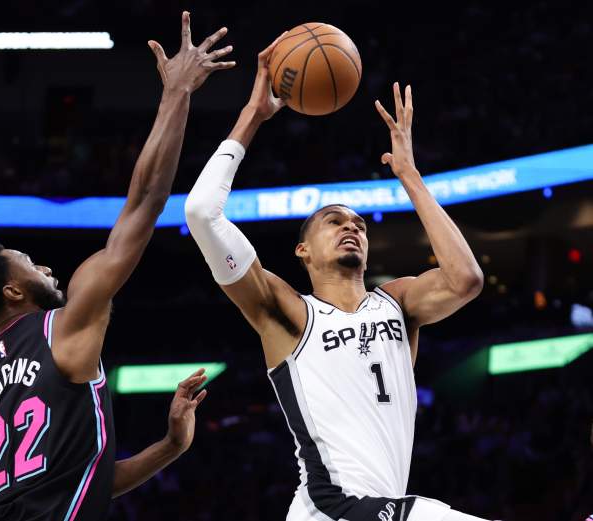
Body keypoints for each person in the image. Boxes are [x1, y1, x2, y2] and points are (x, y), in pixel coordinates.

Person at [184, 37, 489, 521]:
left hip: (376, 508)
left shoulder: (398, 302)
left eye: (359, 224)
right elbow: (202, 212)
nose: (351, 226)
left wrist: (409, 176)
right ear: (302, 251)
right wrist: (254, 115)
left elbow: (466, 279)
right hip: (330, 507)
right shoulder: (286, 312)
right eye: (334, 221)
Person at [0, 12, 234, 520]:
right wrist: (178, 92)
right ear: (12, 291)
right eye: (29, 264)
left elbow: (84, 483)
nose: (46, 268)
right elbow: (147, 199)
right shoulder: (62, 325)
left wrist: (171, 446)